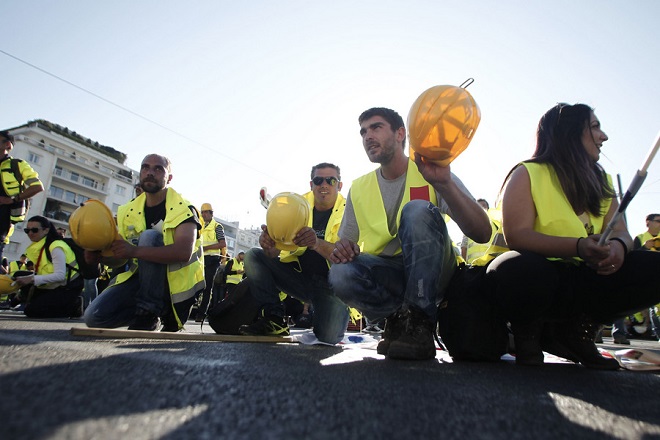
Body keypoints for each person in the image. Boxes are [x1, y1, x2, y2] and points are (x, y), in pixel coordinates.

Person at [487, 103, 660, 369]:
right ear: (569, 133)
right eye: (594, 127)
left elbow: (621, 232)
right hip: (544, 278)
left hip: (587, 279)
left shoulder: (602, 182)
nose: (604, 136)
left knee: (653, 266)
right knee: (515, 269)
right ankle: (528, 330)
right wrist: (578, 247)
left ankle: (576, 332)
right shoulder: (527, 173)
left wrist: (618, 248)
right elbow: (517, 236)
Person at [329, 108, 491, 359]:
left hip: (437, 274)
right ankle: (400, 318)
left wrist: (445, 184)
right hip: (392, 274)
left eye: (376, 127)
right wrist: (342, 250)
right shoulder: (359, 187)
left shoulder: (431, 170)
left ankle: (421, 320)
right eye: (363, 131)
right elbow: (344, 244)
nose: (367, 136)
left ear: (400, 133)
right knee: (340, 274)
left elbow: (482, 232)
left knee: (416, 210)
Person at [83, 154, 204, 331]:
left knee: (148, 237)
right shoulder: (128, 210)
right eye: (145, 167)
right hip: (141, 282)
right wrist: (100, 258)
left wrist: (133, 251)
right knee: (94, 317)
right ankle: (149, 313)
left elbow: (183, 253)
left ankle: (150, 313)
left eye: (158, 169)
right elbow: (123, 255)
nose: (150, 172)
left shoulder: (183, 208)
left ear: (169, 178)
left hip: (175, 289)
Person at [240, 163, 350, 343]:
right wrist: (270, 245)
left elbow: (348, 258)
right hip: (299, 280)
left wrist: (316, 243)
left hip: (332, 287)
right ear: (311, 184)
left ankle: (322, 317)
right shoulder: (296, 204)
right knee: (253, 255)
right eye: (318, 180)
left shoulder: (349, 211)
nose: (324, 185)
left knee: (329, 337)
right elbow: (275, 253)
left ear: (339, 186)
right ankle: (274, 319)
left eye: (331, 180)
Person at [13, 216, 83, 318]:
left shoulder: (56, 246)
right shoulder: (42, 245)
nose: (30, 233)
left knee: (31, 311)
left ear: (46, 230)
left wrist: (32, 279)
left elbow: (60, 276)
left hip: (66, 288)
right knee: (19, 275)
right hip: (53, 285)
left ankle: (73, 305)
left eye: (34, 230)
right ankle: (22, 299)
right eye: (27, 230)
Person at [0, 130, 44, 264]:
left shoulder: (17, 165)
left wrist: (13, 199)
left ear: (8, 145)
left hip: (2, 224)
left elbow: (37, 186)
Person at [195, 202, 227, 321]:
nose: (203, 214)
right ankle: (193, 310)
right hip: (200, 258)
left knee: (207, 287)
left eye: (205, 212)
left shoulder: (217, 226)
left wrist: (206, 248)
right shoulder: (200, 226)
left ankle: (201, 314)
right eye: (202, 212)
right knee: (196, 286)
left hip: (212, 259)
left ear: (210, 213)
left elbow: (222, 243)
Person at [461, 199, 493, 263]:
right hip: (473, 266)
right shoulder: (469, 226)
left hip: (490, 263)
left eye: (484, 205)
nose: (482, 207)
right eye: (478, 206)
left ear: (488, 209)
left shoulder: (495, 224)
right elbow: (464, 247)